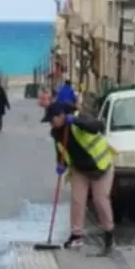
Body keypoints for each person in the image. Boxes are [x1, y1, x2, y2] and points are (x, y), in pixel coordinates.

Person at [46, 99, 115, 254]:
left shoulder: (79, 120)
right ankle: (76, 236)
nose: (50, 123)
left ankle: (109, 234)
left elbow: (98, 126)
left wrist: (76, 121)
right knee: (77, 201)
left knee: (100, 199)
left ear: (61, 115)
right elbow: (61, 150)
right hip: (79, 169)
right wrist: (60, 164)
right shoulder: (56, 133)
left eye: (52, 119)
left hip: (101, 166)